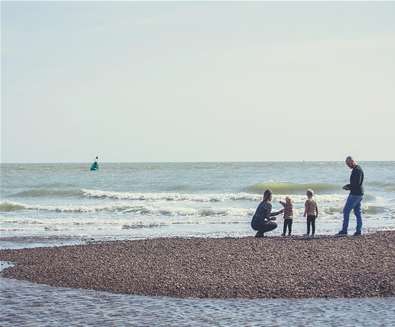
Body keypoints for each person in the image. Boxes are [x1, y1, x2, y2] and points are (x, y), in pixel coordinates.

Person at [338, 156, 364, 236]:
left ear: (352, 161)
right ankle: (358, 231)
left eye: (348, 164)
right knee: (357, 212)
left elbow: (357, 183)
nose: (348, 166)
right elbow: (356, 183)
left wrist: (348, 187)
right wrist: (348, 186)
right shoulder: (357, 169)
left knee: (346, 211)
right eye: (347, 164)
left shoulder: (357, 170)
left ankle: (344, 230)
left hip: (355, 194)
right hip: (358, 193)